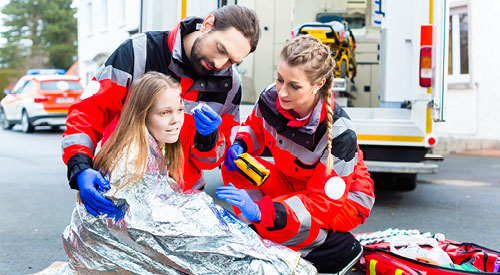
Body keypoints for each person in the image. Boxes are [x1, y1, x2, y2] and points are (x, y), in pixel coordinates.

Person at [60, 72, 316, 274]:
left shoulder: (153, 145)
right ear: (142, 114)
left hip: (127, 243)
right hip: (109, 252)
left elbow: (203, 166)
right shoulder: (131, 156)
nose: (176, 120)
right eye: (164, 113)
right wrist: (207, 218)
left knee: (248, 248)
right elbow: (145, 223)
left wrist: (209, 137)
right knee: (250, 260)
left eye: (180, 110)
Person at [61, 5, 260, 217]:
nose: (220, 64)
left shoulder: (230, 84)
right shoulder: (140, 52)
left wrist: (208, 138)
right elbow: (89, 111)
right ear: (208, 24)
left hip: (182, 201)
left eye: (232, 61)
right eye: (221, 49)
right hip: (122, 191)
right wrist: (80, 166)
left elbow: (211, 161)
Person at [216, 35, 375, 274]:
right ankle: (257, 235)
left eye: (294, 86)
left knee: (274, 217)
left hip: (344, 202)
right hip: (294, 184)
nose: (282, 92)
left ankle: (337, 250)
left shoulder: (340, 135)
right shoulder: (271, 98)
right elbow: (256, 127)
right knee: (236, 165)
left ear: (319, 83)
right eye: (280, 79)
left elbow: (323, 203)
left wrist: (266, 212)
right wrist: (241, 143)